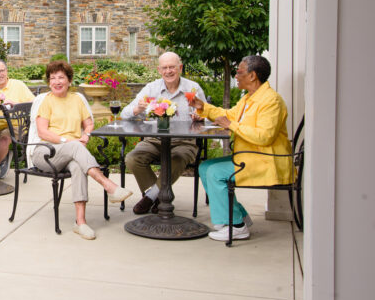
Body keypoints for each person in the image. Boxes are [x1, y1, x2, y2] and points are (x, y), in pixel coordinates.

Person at [190, 55, 293, 241]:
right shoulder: (249, 98)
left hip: (266, 160)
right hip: (249, 156)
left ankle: (236, 226)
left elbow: (265, 136)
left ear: (252, 76)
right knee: (205, 167)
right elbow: (229, 114)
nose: (236, 76)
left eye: (239, 72)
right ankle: (239, 217)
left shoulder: (271, 101)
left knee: (215, 172)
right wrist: (203, 107)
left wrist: (231, 125)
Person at [29, 61, 132, 240]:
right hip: (46, 152)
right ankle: (108, 185)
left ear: (69, 80)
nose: (56, 81)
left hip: (71, 152)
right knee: (76, 147)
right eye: (52, 78)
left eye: (61, 77)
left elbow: (89, 123)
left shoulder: (77, 99)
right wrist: (69, 141)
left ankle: (80, 222)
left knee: (77, 166)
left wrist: (86, 135)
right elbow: (42, 131)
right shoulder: (46, 101)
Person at [120, 52, 206, 214]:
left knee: (177, 159)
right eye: (165, 68)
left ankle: (150, 197)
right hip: (154, 140)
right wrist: (137, 109)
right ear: (159, 70)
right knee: (132, 159)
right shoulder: (151, 88)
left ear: (180, 68)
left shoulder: (192, 89)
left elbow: (208, 115)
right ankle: (159, 197)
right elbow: (125, 113)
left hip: (184, 141)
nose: (168, 71)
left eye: (172, 67)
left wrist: (200, 116)